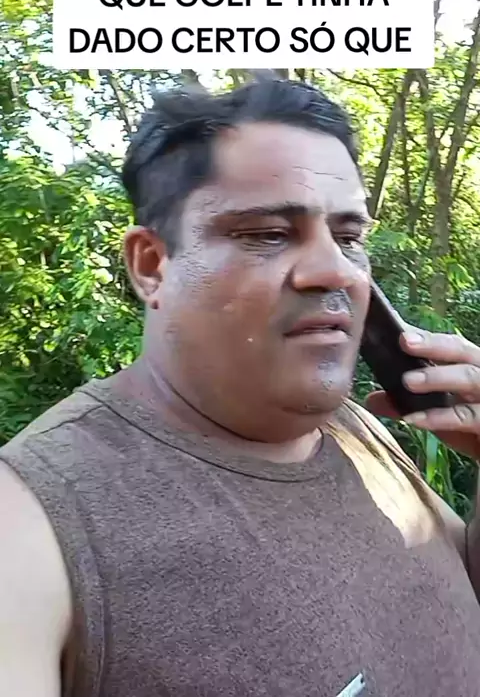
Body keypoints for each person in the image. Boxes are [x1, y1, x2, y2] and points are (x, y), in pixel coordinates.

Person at [1, 78, 480, 697]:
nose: (336, 269)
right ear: (152, 265)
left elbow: (460, 595)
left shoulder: (352, 430)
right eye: (268, 234)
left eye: (348, 238)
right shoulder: (34, 520)